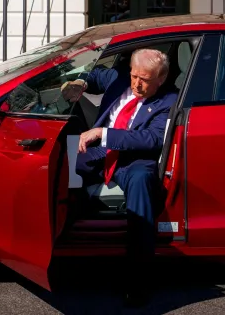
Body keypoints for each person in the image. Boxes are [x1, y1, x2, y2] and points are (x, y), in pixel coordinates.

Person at [62, 48, 177, 306]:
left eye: (145, 79)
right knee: (60, 165)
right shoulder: (118, 79)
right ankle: (68, 230)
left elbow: (151, 139)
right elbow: (93, 74)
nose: (137, 83)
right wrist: (80, 82)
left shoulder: (169, 100)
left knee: (141, 183)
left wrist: (102, 133)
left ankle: (138, 279)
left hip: (135, 159)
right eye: (134, 76)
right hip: (101, 152)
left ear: (161, 78)